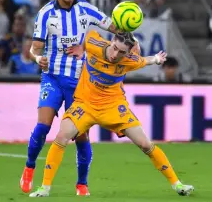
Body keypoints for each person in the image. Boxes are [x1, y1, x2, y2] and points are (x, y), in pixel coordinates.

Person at [29, 30, 194, 197]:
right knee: (61, 137)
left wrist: (157, 59)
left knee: (145, 144)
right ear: (111, 41)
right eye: (114, 48)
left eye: (122, 52)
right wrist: (81, 48)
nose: (115, 54)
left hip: (113, 106)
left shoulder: (131, 61)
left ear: (129, 53)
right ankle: (45, 188)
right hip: (85, 104)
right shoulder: (95, 43)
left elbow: (147, 60)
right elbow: (88, 36)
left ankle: (178, 184)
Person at [20, 0, 134, 196]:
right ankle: (30, 167)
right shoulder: (45, 14)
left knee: (81, 136)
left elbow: (115, 27)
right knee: (43, 127)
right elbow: (34, 49)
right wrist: (38, 58)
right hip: (52, 77)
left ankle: (82, 183)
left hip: (80, 84)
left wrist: (129, 26)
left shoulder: (86, 10)